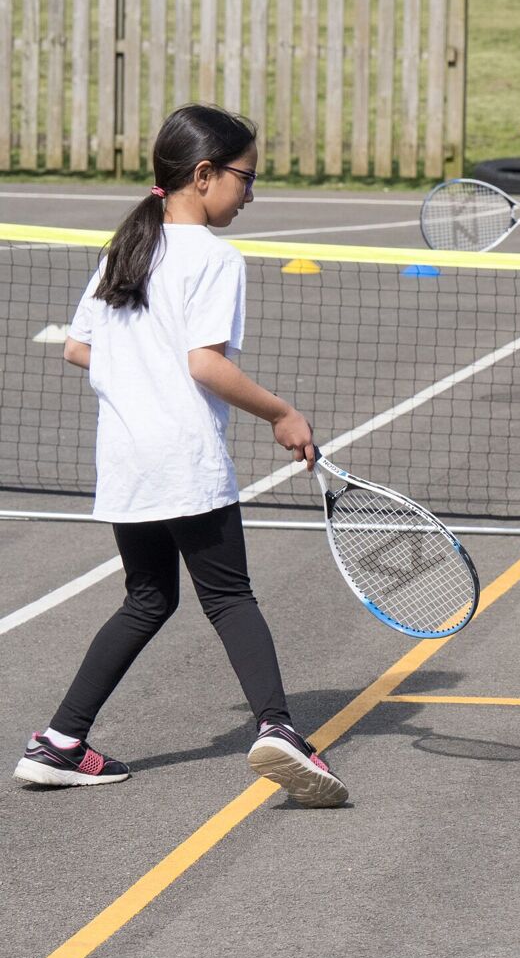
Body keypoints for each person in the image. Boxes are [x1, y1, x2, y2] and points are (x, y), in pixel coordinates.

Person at [13, 104, 348, 807]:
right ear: (204, 176)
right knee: (229, 595)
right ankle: (280, 726)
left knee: (149, 595)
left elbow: (80, 347)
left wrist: (138, 365)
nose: (250, 194)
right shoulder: (214, 258)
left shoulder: (126, 248)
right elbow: (204, 364)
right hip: (184, 458)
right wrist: (283, 413)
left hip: (127, 460)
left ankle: (60, 742)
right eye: (246, 179)